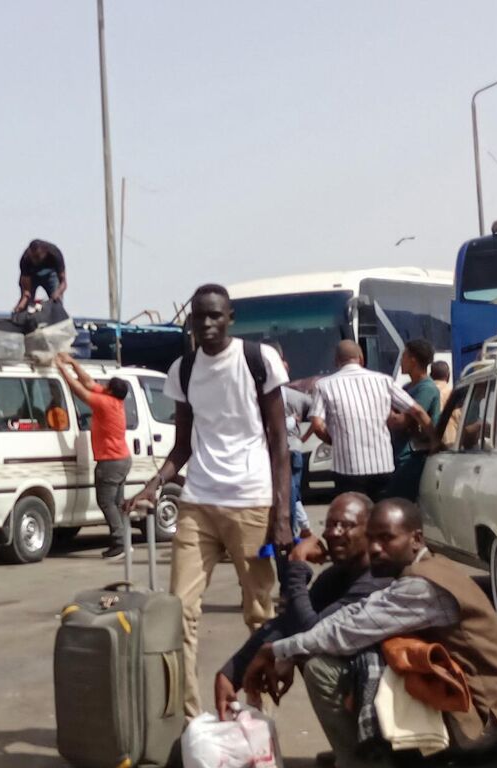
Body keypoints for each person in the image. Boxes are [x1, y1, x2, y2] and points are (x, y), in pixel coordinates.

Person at [245, 500, 497, 767]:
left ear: (416, 539)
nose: (375, 548)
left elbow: (345, 632)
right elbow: (356, 615)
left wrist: (275, 651)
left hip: (492, 721)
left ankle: (361, 763)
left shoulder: (423, 586)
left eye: (387, 539)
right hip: (496, 709)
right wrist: (285, 649)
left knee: (324, 668)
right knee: (363, 653)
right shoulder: (423, 569)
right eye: (372, 539)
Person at [129, 283, 294, 717]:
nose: (206, 324)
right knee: (178, 611)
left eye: (215, 316)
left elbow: (280, 443)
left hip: (252, 500)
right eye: (198, 316)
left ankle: (260, 718)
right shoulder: (182, 370)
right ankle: (189, 722)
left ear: (230, 317)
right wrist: (155, 482)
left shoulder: (258, 360)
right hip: (198, 501)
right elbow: (182, 447)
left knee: (259, 615)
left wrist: (282, 515)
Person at [214, 492, 391, 719]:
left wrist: (297, 564)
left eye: (345, 525)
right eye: (329, 525)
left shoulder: (377, 580)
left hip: (390, 684)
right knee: (298, 648)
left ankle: (359, 752)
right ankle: (347, 743)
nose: (333, 533)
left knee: (317, 663)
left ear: (370, 531)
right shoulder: (338, 575)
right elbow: (288, 621)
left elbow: (313, 631)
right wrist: (230, 674)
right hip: (363, 675)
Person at [308, 341, 431, 501]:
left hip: (347, 467)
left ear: (336, 361)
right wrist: (435, 439)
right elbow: (417, 411)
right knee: (381, 516)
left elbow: (317, 424)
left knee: (354, 517)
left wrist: (335, 441)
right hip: (382, 465)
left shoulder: (323, 385)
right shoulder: (384, 381)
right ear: (361, 358)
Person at [56, 352, 133, 560]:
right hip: (122, 459)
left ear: (109, 390)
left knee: (106, 502)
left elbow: (79, 390)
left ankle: (119, 542)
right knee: (116, 503)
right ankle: (125, 541)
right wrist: (72, 362)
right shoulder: (114, 400)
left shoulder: (104, 403)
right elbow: (89, 383)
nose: (102, 386)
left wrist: (62, 369)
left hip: (110, 462)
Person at [387, 340, 445, 501]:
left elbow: (402, 421)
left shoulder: (426, 388)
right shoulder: (407, 388)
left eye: (404, 356)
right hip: (399, 456)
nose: (401, 361)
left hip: (412, 459)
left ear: (413, 360)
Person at [283, 381, 316, 533]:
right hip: (295, 448)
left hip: (277, 451)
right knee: (293, 491)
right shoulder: (298, 397)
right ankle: (303, 527)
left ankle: (299, 528)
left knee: (289, 492)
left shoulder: (262, 396)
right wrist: (305, 437)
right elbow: (317, 415)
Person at [15, 239, 67, 314]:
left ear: (44, 252)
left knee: (56, 302)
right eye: (32, 257)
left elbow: (63, 282)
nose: (35, 260)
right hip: (32, 277)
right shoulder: (25, 260)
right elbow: (26, 291)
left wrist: (58, 293)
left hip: (51, 275)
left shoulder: (55, 254)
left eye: (37, 257)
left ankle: (56, 315)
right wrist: (22, 303)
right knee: (26, 304)